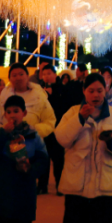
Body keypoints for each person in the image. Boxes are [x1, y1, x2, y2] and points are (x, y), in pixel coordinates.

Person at [55, 72, 112, 223]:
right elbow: (62, 139)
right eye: (91, 91)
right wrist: (79, 119)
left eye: (99, 90)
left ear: (105, 90)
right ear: (84, 91)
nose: (95, 95)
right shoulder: (72, 112)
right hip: (76, 185)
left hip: (104, 186)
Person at [0, 94, 49, 223]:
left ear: (24, 113)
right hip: (1, 190)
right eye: (9, 112)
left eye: (16, 111)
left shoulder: (33, 135)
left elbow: (43, 161)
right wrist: (2, 133)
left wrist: (30, 169)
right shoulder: (0, 134)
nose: (12, 115)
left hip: (24, 191)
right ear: (5, 115)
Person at [0, 63, 56, 143]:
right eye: (14, 75)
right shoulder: (3, 98)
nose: (18, 78)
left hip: (33, 143)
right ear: (9, 79)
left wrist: (33, 130)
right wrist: (4, 131)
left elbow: (50, 121)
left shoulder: (39, 97)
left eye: (21, 74)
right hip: (7, 144)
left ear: (27, 76)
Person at [39, 62, 76, 195]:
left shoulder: (62, 89)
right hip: (44, 128)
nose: (46, 76)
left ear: (55, 74)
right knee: (43, 157)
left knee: (58, 159)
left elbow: (63, 108)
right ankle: (42, 185)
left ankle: (60, 185)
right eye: (44, 74)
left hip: (58, 128)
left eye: (49, 73)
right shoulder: (40, 89)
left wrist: (51, 95)